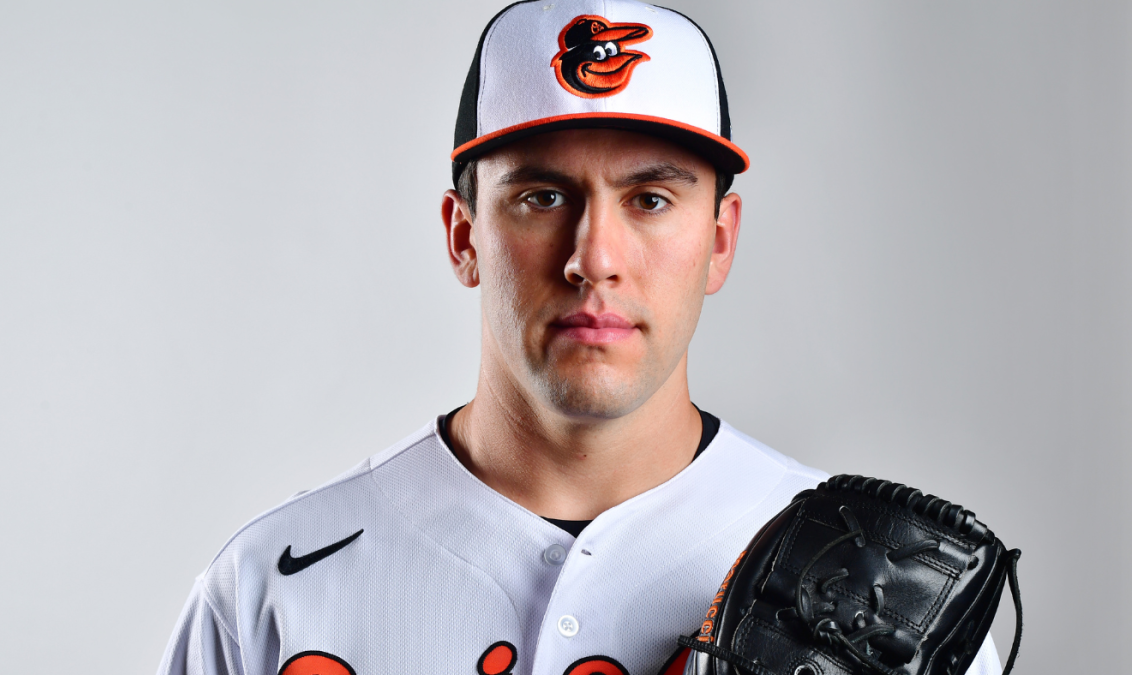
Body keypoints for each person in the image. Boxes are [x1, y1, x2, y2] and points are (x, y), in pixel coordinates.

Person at [158, 2, 1002, 674]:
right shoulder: (272, 586)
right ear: (463, 236)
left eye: (651, 199)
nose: (594, 259)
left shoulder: (882, 597)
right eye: (542, 197)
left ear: (719, 239)